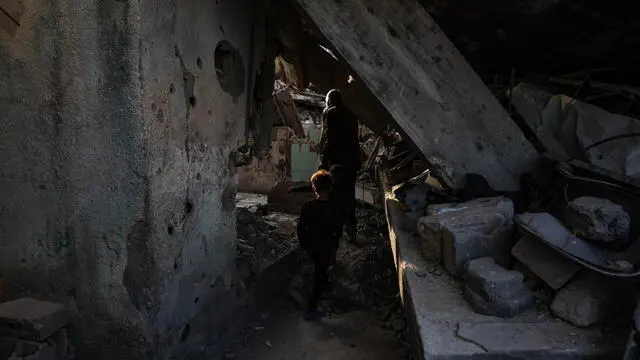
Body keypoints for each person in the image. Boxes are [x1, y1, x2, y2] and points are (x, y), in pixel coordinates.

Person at [297, 170, 342, 321]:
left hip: (312, 247)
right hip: (326, 247)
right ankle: (311, 309)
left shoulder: (308, 206)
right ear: (330, 188)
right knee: (319, 275)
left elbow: (301, 229)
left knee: (321, 272)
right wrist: (334, 250)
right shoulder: (334, 208)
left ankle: (325, 290)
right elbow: (337, 231)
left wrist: (305, 246)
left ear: (314, 188)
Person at [318, 89, 361, 244]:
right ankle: (351, 232)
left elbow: (328, 139)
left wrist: (323, 162)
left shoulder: (329, 113)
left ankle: (334, 237)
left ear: (329, 101)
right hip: (352, 163)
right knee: (349, 196)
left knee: (334, 199)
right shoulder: (351, 114)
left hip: (337, 164)